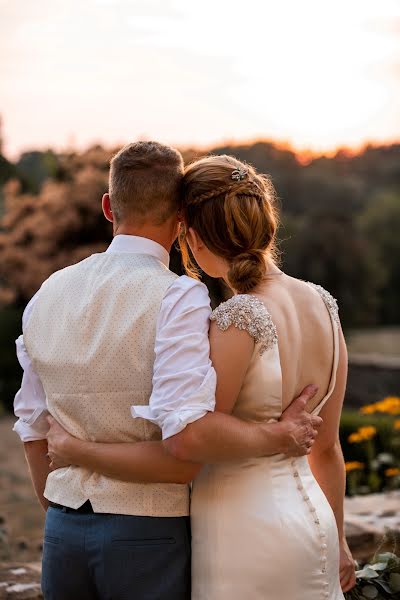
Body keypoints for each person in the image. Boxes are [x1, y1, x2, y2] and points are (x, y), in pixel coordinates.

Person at [14, 141, 321, 600]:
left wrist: (59, 504)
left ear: (107, 206)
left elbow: (32, 422)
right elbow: (184, 452)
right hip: (148, 535)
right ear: (182, 217)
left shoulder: (50, 290)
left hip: (62, 531)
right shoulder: (180, 297)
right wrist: (278, 435)